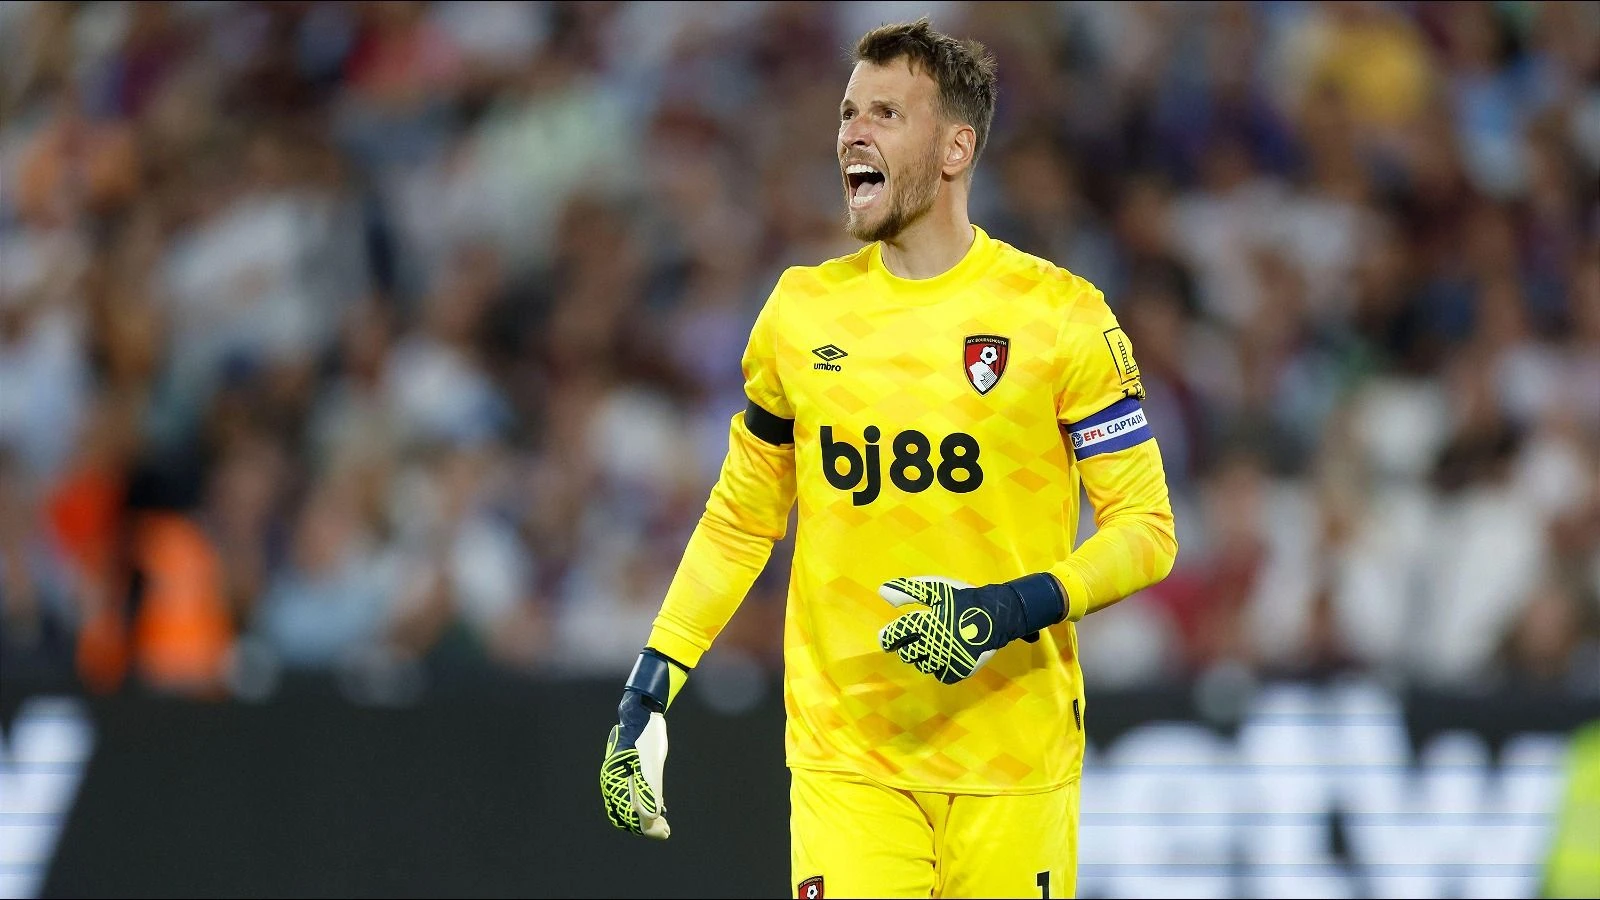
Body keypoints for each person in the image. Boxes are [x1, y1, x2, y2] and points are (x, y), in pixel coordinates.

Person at [599, 18, 1177, 899]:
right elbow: (742, 517)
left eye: (885, 114)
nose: (852, 134)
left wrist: (1010, 609)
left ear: (955, 148)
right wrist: (652, 680)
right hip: (849, 757)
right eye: (846, 112)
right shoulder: (801, 315)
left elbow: (1147, 530)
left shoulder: (1059, 317)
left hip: (1012, 759)